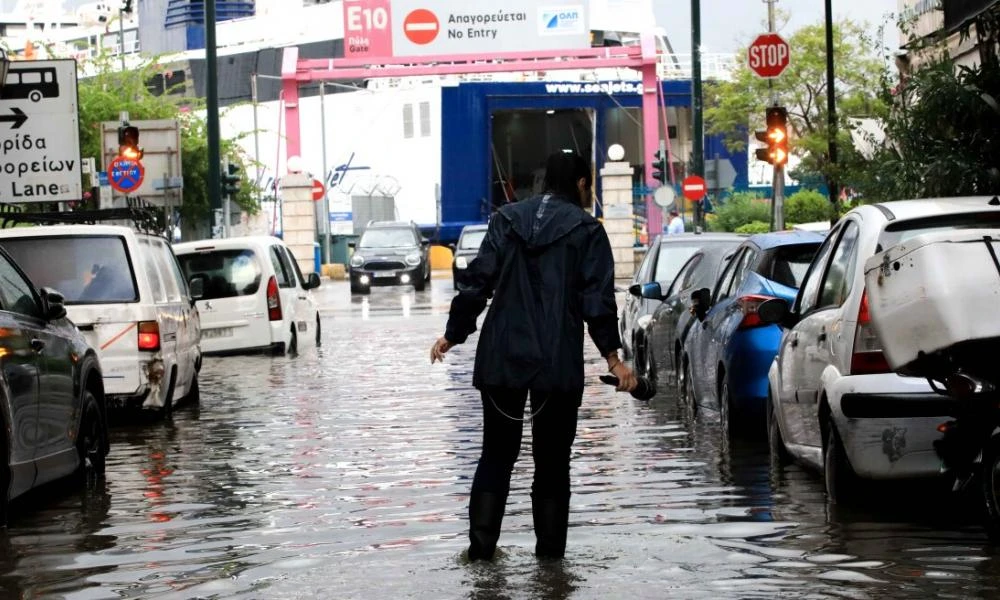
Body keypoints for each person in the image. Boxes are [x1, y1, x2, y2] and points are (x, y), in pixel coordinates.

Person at [430, 151, 638, 562]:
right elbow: (597, 302)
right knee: (552, 463)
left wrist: (453, 335)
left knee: (496, 454)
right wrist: (613, 361)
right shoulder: (587, 230)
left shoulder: (505, 220)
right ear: (581, 183)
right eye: (588, 184)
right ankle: (551, 568)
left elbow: (476, 283)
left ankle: (481, 555)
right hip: (555, 360)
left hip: (500, 356)